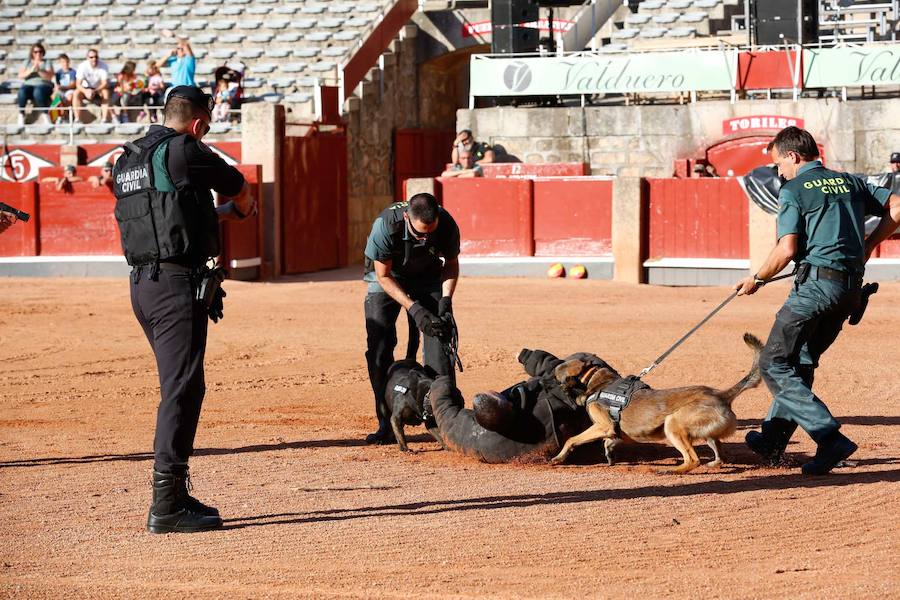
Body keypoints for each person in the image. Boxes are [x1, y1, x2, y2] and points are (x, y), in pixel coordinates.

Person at [112, 86, 255, 533]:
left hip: (142, 285)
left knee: (181, 384)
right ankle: (166, 505)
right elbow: (239, 187)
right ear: (197, 123)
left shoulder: (129, 158)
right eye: (206, 127)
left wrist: (216, 216)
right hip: (176, 286)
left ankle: (175, 492)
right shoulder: (187, 148)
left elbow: (164, 212)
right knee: (182, 389)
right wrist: (243, 209)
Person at [734, 126, 899, 475]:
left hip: (814, 291)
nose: (779, 173)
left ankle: (830, 439)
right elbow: (897, 206)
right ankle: (773, 439)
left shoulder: (794, 189)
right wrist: (869, 245)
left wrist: (758, 279)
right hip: (849, 291)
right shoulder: (849, 181)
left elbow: (787, 247)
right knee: (801, 360)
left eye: (779, 164)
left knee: (773, 362)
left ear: (793, 156)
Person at [363, 194, 460, 444]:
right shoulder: (385, 225)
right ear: (407, 218)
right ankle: (386, 419)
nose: (425, 238)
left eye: (431, 233)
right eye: (420, 235)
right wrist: (415, 310)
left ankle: (443, 418)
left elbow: (450, 264)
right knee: (379, 346)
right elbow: (382, 275)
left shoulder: (447, 223)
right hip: (388, 277)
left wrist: (445, 301)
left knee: (440, 337)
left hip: (427, 278)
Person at [414, 349, 612, 463]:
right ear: (511, 406)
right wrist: (530, 357)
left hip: (561, 442)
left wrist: (440, 384)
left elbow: (446, 415)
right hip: (579, 424)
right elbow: (560, 373)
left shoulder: (480, 441)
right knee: (584, 360)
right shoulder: (546, 405)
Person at [16, 43, 54, 126]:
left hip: (43, 84)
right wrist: (30, 71)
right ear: (32, 53)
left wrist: (39, 70)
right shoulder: (27, 62)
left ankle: (45, 115)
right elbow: (20, 76)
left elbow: (49, 77)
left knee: (38, 91)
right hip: (29, 84)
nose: (38, 54)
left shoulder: (47, 62)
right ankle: (21, 114)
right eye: (36, 52)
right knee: (22, 91)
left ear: (43, 52)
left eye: (40, 52)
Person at [72, 49, 111, 123]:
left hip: (98, 88)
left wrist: (95, 90)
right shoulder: (82, 66)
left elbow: (104, 83)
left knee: (105, 92)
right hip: (85, 88)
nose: (94, 59)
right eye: (91, 57)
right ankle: (77, 119)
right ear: (87, 58)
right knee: (76, 93)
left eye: (96, 57)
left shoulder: (103, 65)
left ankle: (104, 119)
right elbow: (78, 84)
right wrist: (86, 91)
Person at [51, 54, 77, 123]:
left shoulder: (72, 72)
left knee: (70, 97)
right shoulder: (58, 73)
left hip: (69, 90)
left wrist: (63, 87)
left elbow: (73, 85)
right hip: (61, 91)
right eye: (63, 62)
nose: (65, 64)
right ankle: (59, 116)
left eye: (66, 62)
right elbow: (56, 84)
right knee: (54, 96)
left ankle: (64, 115)